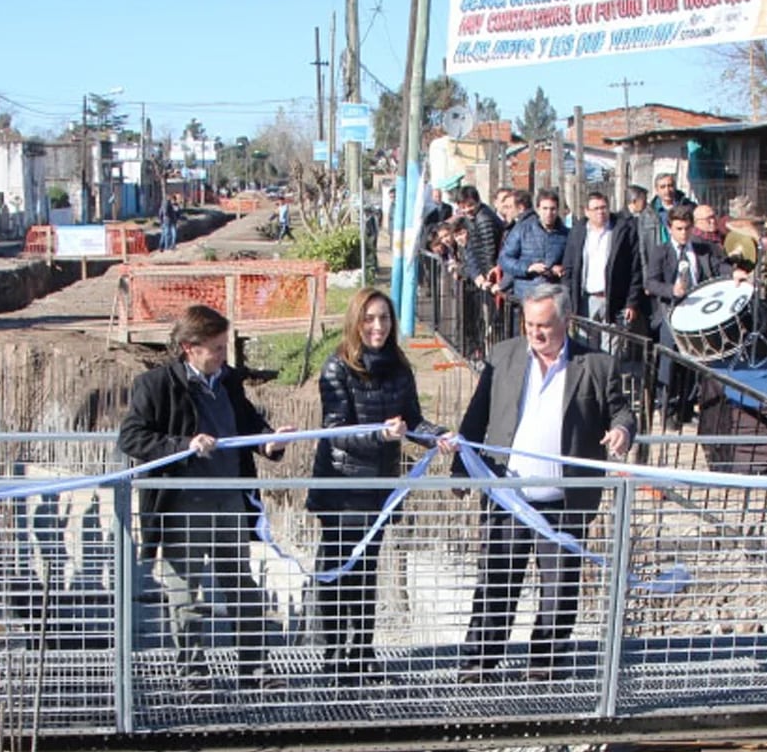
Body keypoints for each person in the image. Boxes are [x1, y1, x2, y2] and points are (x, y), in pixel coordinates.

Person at [454, 284, 635, 681]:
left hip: (564, 501)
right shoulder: (503, 358)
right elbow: (475, 418)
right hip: (508, 496)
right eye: (529, 324)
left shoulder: (597, 365)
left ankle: (543, 665)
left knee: (559, 590)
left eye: (545, 326)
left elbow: (622, 413)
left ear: (566, 322)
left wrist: (621, 432)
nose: (535, 333)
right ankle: (478, 663)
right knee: (496, 582)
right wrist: (460, 467)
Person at [118, 305, 293, 686]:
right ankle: (193, 673)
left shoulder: (228, 381)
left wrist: (270, 442)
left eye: (223, 345)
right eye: (214, 348)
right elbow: (132, 437)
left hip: (228, 499)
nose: (222, 354)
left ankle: (256, 670)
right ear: (188, 348)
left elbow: (247, 423)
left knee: (241, 586)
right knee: (186, 590)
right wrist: (183, 444)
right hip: (184, 504)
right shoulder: (156, 385)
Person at [307, 290, 451, 682]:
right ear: (356, 321)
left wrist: (437, 435)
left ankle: (362, 651)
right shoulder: (337, 367)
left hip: (379, 488)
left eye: (384, 318)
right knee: (339, 571)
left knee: (367, 571)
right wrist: (382, 437)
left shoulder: (400, 367)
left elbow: (412, 421)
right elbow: (335, 431)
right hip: (342, 485)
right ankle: (336, 654)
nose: (377, 326)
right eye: (370, 318)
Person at [645, 211, 714, 427]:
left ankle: (687, 406)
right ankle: (667, 407)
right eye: (679, 229)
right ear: (670, 229)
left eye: (687, 229)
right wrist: (671, 290)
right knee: (670, 362)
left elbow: (719, 266)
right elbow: (651, 283)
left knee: (694, 362)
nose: (684, 234)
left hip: (697, 314)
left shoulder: (702, 249)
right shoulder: (661, 252)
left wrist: (735, 272)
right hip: (670, 313)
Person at [561, 192, 646, 330]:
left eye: (603, 207)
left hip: (614, 300)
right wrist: (569, 300)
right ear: (586, 211)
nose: (600, 212)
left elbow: (635, 269)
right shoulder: (577, 233)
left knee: (612, 347)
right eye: (595, 209)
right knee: (584, 345)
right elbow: (569, 267)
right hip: (585, 300)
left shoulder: (623, 231)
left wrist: (631, 302)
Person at [498, 189, 570, 304]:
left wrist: (559, 269)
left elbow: (570, 264)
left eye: (553, 209)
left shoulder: (565, 234)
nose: (549, 213)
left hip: (551, 297)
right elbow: (504, 259)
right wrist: (528, 268)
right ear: (538, 209)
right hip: (526, 295)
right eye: (545, 208)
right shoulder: (522, 229)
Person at [454, 185, 504, 288]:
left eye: (470, 205)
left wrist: (487, 277)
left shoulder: (483, 219)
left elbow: (489, 251)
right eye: (463, 207)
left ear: (478, 201)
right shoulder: (473, 217)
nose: (467, 210)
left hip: (489, 275)